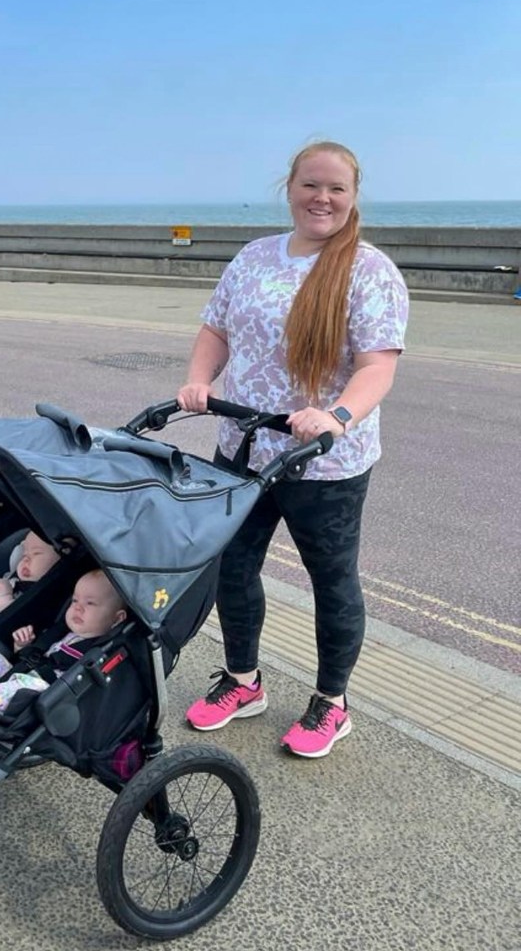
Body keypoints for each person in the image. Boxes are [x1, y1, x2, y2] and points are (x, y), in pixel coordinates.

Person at [178, 141, 409, 759]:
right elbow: (216, 327)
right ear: (290, 187)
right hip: (244, 447)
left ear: (353, 195)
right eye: (311, 185)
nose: (322, 198)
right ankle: (242, 680)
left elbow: (376, 368)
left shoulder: (370, 271)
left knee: (331, 581)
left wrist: (335, 416)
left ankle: (332, 703)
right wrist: (201, 378)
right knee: (232, 566)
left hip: (325, 462)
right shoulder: (254, 257)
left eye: (336, 188)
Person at [0, 569, 127, 709]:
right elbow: (31, 659)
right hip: (21, 672)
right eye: (74, 600)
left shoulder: (99, 651)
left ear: (117, 619)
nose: (78, 607)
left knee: (24, 686)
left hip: (42, 693)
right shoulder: (62, 633)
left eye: (90, 603)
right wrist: (23, 646)